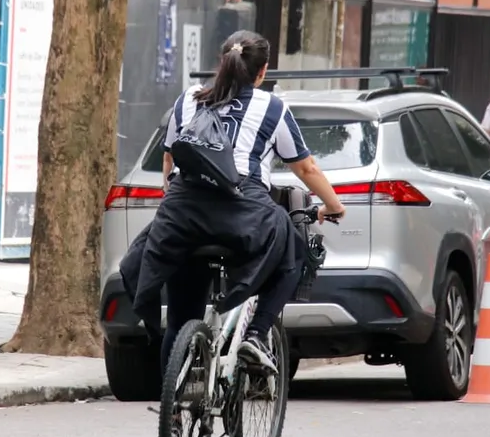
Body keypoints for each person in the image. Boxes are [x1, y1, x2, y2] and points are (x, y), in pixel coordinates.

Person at [119, 30, 346, 376]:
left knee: (181, 317)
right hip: (242, 214)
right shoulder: (271, 107)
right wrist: (334, 206)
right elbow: (305, 167)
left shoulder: (188, 99)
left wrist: (177, 204)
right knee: (292, 251)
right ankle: (255, 335)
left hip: (182, 215)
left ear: (222, 61)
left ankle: (174, 415)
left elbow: (169, 163)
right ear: (262, 70)